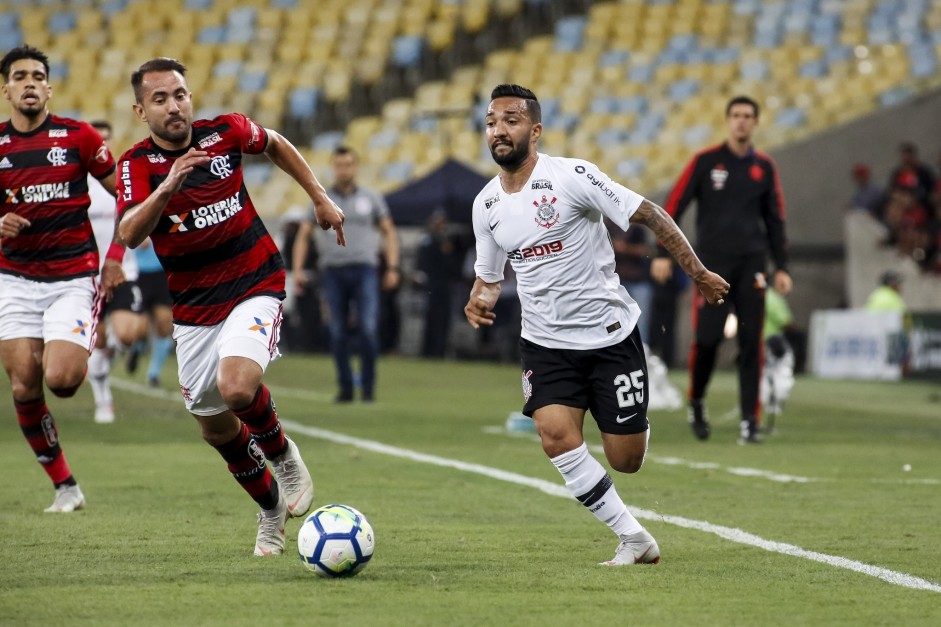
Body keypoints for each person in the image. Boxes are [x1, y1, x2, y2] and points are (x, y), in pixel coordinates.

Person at [464, 84, 729, 566]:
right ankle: (634, 537)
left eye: (511, 120)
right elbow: (488, 277)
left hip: (609, 336)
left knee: (626, 460)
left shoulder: (573, 177)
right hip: (545, 344)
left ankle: (629, 421)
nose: (499, 130)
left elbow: (649, 213)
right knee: (554, 435)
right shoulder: (485, 206)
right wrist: (479, 300)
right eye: (491, 122)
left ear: (535, 130)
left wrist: (699, 273)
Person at [115, 57, 345, 556]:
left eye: (179, 94)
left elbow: (278, 143)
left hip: (254, 280)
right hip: (195, 307)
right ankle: (269, 511)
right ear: (141, 111)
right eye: (160, 99)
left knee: (238, 387)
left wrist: (319, 197)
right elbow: (130, 233)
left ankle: (283, 456)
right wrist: (168, 186)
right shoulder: (135, 165)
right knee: (216, 426)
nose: (173, 106)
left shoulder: (225, 132)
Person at [0, 45, 124, 512]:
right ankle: (66, 486)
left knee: (64, 379)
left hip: (74, 277)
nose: (29, 83)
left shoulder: (79, 137)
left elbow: (128, 198)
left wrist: (115, 258)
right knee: (22, 386)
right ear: (6, 88)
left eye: (37, 76)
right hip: (13, 279)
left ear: (49, 87)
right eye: (20, 76)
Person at [652, 95, 792, 444]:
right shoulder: (705, 161)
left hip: (752, 265)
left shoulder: (764, 166)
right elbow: (673, 206)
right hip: (711, 266)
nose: (741, 121)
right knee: (709, 340)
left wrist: (782, 266)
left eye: (748, 116)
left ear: (755, 123)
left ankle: (749, 421)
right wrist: (663, 254)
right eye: (736, 115)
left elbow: (775, 219)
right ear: (727, 120)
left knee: (750, 342)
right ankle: (696, 401)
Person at [292, 145, 400, 402]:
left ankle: (368, 388)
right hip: (333, 272)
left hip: (365, 270)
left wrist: (393, 267)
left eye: (349, 164)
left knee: (368, 330)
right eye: (339, 165)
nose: (344, 170)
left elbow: (389, 231)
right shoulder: (322, 198)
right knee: (337, 331)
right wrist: (297, 270)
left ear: (356, 167)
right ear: (333, 167)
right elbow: (304, 235)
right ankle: (346, 388)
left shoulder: (371, 198)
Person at [86, 119, 148, 423]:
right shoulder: (76, 183)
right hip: (86, 276)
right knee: (95, 342)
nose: (103, 146)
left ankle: (119, 349)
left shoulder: (121, 181)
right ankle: (103, 401)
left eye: (106, 140)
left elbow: (139, 217)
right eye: (98, 140)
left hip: (124, 272)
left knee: (124, 335)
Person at [414, 209, 461, 358]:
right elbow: (422, 263)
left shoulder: (446, 241)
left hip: (444, 286)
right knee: (431, 319)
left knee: (443, 320)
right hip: (431, 285)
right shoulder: (428, 241)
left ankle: (439, 351)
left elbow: (451, 266)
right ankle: (428, 351)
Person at [761, 286, 796, 429]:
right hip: (774, 343)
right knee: (782, 374)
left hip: (759, 342)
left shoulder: (757, 295)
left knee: (764, 375)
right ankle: (774, 404)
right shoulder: (773, 298)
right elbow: (786, 321)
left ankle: (764, 404)